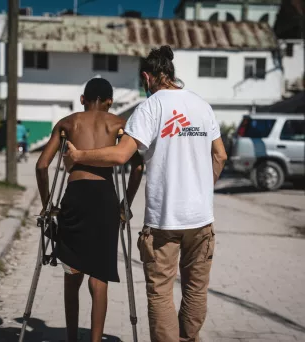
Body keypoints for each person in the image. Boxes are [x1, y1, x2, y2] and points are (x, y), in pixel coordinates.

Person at [65, 46, 228, 342]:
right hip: (202, 218)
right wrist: (203, 188)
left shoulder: (151, 107)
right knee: (195, 288)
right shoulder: (202, 105)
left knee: (161, 292)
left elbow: (120, 155)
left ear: (147, 77)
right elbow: (220, 155)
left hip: (165, 221)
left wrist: (79, 156)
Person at [35, 78, 144, 342]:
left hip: (75, 198)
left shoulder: (67, 123)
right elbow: (138, 167)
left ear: (83, 99)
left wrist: (48, 204)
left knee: (72, 274)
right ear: (110, 102)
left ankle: (72, 338)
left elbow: (41, 165)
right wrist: (125, 203)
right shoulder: (119, 124)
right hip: (105, 199)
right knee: (99, 275)